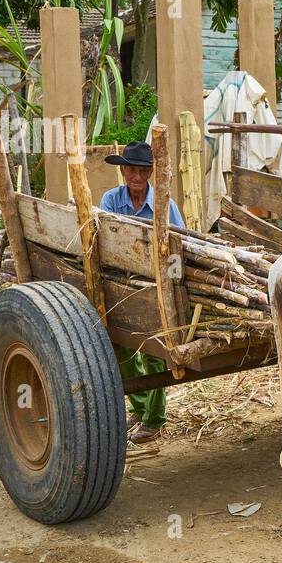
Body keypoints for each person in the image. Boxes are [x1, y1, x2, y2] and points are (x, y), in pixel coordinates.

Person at [99, 141, 185, 445]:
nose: (136, 176)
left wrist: (174, 284)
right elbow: (105, 241)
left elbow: (179, 247)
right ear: (123, 171)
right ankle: (139, 407)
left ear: (150, 173)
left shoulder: (164, 203)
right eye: (131, 170)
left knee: (154, 351)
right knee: (120, 351)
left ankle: (154, 418)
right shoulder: (110, 200)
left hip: (154, 286)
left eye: (142, 171)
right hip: (119, 285)